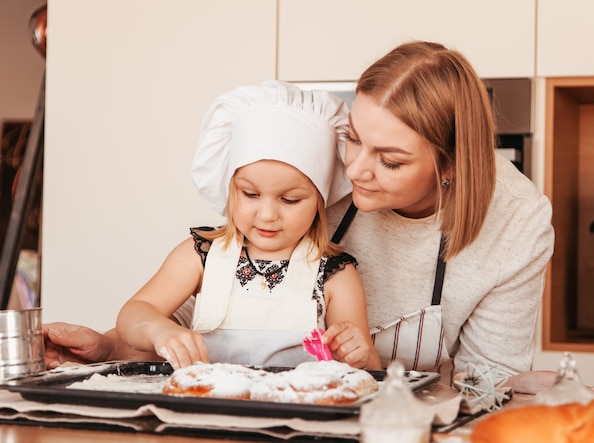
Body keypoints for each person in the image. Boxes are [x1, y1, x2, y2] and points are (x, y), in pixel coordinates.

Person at [43, 41, 555, 392]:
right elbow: (211, 303)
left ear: (450, 165)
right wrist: (109, 346)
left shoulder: (515, 224)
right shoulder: (307, 171)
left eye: (390, 161)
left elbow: (486, 386)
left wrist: (377, 382)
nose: (354, 168)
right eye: (354, 136)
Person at [112, 80, 379, 370]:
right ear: (230, 188)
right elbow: (133, 314)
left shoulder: (335, 274)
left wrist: (358, 353)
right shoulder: (200, 256)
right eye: (250, 194)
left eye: (290, 200)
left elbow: (372, 369)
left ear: (319, 201)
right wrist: (159, 331)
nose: (267, 215)